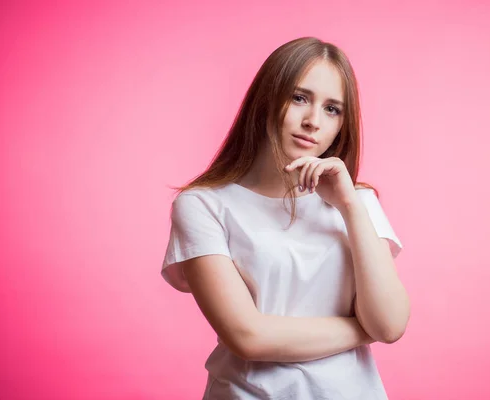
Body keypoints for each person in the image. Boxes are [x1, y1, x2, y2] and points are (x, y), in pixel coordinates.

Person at [161, 37, 410, 400]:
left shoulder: (359, 203)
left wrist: (350, 206)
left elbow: (389, 323)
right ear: (266, 100)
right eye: (299, 98)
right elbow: (248, 337)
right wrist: (362, 330)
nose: (312, 121)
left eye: (332, 109)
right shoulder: (203, 205)